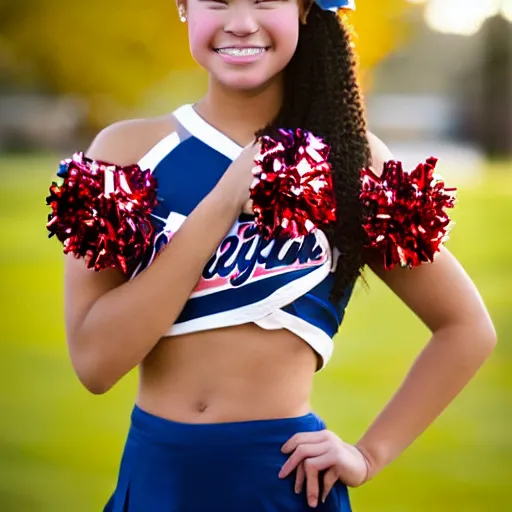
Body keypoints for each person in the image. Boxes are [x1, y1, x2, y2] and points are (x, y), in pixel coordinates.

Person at [58, 0, 496, 510]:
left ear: (307, 10)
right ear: (182, 6)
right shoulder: (125, 153)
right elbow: (96, 365)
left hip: (285, 483)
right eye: (217, 1)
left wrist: (369, 455)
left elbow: (466, 328)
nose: (242, 22)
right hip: (157, 479)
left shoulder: (348, 159)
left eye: (266, 0)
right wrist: (224, 200)